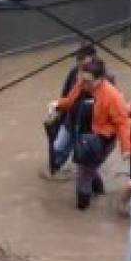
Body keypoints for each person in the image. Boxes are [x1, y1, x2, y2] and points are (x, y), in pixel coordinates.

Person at [52, 58, 131, 210]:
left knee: (83, 173)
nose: (84, 84)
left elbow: (122, 123)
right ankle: (99, 190)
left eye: (89, 81)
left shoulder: (112, 96)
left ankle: (83, 204)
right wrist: (58, 104)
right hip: (80, 134)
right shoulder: (81, 85)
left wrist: (126, 148)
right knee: (88, 168)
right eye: (82, 79)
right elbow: (70, 101)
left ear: (100, 79)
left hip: (99, 141)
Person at [45, 44, 98, 174]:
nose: (78, 61)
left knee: (85, 163)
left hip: (90, 128)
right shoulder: (74, 72)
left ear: (92, 58)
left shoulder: (105, 76)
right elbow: (66, 95)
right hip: (71, 119)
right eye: (77, 58)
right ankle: (58, 166)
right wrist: (57, 109)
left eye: (81, 57)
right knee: (58, 146)